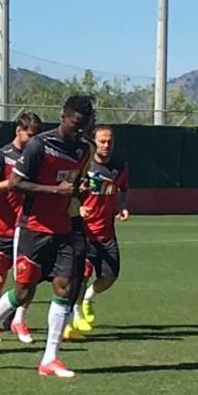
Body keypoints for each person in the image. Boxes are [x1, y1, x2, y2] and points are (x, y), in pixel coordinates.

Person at [0, 95, 93, 378]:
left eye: (84, 126)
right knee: (24, 291)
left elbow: (75, 182)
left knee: (64, 288)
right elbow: (15, 184)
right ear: (63, 116)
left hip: (64, 228)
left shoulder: (83, 150)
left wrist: (82, 188)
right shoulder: (40, 145)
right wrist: (56, 190)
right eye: (76, 124)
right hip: (32, 228)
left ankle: (49, 358)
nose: (79, 131)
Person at [0, 113, 40, 344]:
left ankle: (18, 320)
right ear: (18, 130)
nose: (33, 141)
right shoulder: (1, 156)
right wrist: (11, 183)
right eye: (30, 135)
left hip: (27, 228)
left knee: (27, 280)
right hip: (2, 228)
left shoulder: (36, 157)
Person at [73, 125, 129, 329]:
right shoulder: (83, 165)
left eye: (109, 141)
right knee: (82, 275)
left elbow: (122, 188)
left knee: (110, 276)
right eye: (102, 141)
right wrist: (77, 207)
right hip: (85, 232)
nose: (106, 145)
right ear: (94, 142)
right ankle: (77, 312)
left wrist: (121, 207)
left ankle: (88, 298)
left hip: (107, 232)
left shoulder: (118, 166)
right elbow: (69, 190)